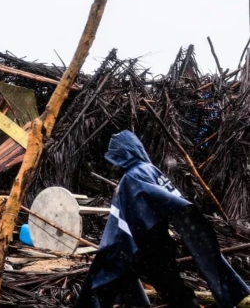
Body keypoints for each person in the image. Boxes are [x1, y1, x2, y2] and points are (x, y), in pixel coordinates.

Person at [77, 130, 249, 308]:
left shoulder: (132, 177)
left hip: (140, 248)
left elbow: (131, 218)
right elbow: (168, 202)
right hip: (156, 244)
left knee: (104, 289)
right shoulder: (152, 171)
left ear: (123, 154)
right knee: (170, 290)